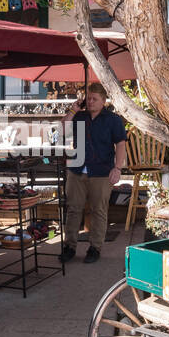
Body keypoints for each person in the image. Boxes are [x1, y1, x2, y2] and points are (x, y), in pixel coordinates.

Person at [60, 82, 128, 263]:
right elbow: (63, 130)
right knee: (73, 209)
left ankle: (95, 248)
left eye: (94, 99)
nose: (90, 102)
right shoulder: (79, 117)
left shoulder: (112, 120)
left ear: (103, 101)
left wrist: (118, 168)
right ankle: (69, 246)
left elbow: (121, 144)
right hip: (76, 169)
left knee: (99, 210)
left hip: (101, 171)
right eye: (88, 98)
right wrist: (74, 110)